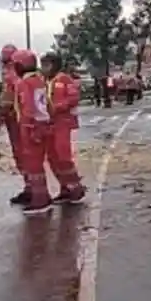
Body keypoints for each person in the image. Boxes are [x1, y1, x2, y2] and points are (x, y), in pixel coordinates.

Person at [10, 50, 57, 214]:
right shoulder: (39, 80)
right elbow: (50, 105)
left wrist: (30, 128)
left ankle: (40, 200)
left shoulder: (24, 83)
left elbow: (28, 107)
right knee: (37, 164)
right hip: (42, 124)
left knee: (33, 165)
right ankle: (42, 196)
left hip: (31, 126)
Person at [40, 52, 85, 204]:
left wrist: (58, 107)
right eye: (43, 65)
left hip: (62, 123)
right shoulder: (43, 81)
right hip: (48, 123)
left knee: (63, 156)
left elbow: (73, 98)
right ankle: (64, 187)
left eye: (47, 65)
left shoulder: (64, 79)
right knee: (52, 157)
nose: (44, 68)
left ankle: (76, 187)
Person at [0, 44, 31, 206]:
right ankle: (32, 187)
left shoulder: (10, 76)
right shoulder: (23, 76)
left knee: (21, 154)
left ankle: (31, 188)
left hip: (15, 120)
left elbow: (7, 100)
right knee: (28, 154)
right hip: (24, 119)